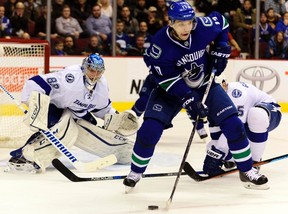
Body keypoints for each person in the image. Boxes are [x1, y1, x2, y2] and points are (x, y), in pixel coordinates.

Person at [123, 0, 269, 192]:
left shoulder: (202, 27)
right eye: (181, 23)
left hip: (205, 83)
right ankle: (135, 173)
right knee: (149, 131)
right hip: (170, 91)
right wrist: (189, 99)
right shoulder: (160, 45)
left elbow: (222, 21)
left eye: (189, 22)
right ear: (171, 22)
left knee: (233, 124)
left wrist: (222, 46)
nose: (186, 27)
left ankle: (247, 171)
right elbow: (166, 79)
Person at [6, 53, 138, 173]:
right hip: (52, 105)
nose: (95, 75)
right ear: (84, 68)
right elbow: (35, 83)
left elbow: (102, 109)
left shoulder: (102, 86)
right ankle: (23, 157)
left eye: (99, 72)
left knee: (87, 127)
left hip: (72, 111)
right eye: (92, 70)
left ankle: (125, 151)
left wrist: (117, 118)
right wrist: (37, 108)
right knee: (60, 129)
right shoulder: (69, 79)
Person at [202, 75, 282, 176]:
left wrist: (217, 152)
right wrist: (215, 154)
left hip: (270, 113)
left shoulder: (236, 94)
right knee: (212, 146)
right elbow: (216, 136)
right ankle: (232, 160)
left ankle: (255, 161)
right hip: (247, 124)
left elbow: (236, 129)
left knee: (256, 115)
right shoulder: (214, 101)